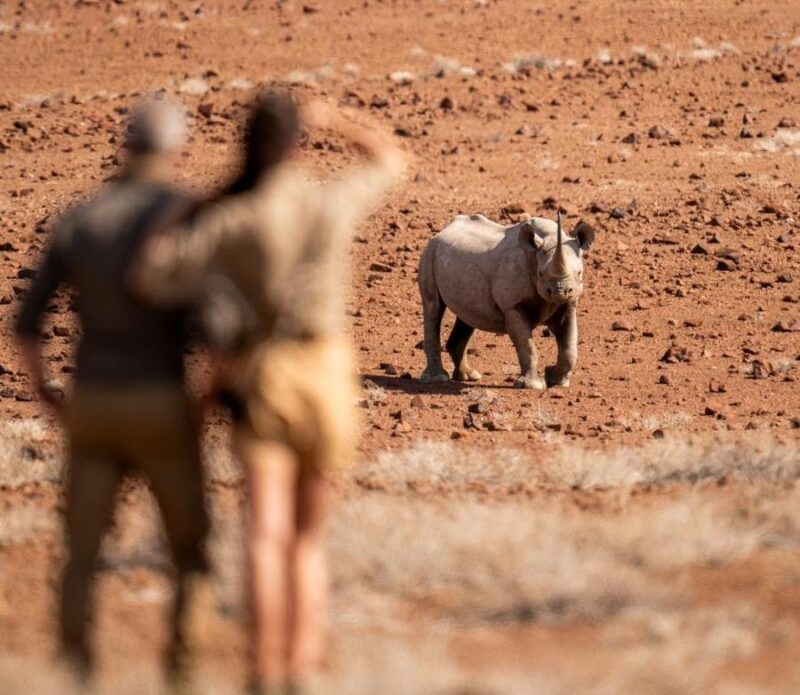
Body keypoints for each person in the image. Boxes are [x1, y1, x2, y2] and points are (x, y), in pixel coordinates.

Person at [134, 92, 406, 694]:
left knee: (265, 534)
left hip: (262, 377)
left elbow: (149, 270)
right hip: (329, 374)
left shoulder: (233, 218)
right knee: (308, 541)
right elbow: (391, 160)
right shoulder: (327, 202)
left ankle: (263, 671)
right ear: (297, 145)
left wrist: (203, 199)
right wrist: (337, 121)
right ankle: (301, 672)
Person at [15, 98, 211, 690]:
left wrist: (46, 391)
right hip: (163, 402)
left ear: (124, 147)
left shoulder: (79, 217)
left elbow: (25, 324)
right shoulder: (188, 217)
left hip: (93, 401)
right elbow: (223, 330)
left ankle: (77, 672)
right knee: (189, 553)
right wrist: (203, 397)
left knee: (80, 551)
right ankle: (181, 670)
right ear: (177, 151)